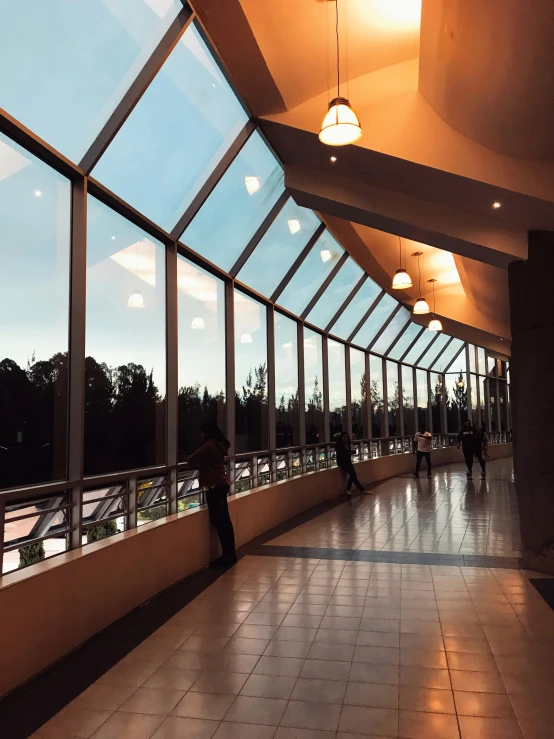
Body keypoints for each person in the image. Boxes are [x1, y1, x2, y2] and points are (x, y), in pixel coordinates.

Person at [187, 422, 236, 567]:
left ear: (208, 433)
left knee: (219, 522)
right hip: (222, 484)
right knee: (225, 521)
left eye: (202, 432)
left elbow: (191, 459)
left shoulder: (210, 446)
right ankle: (230, 553)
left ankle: (227, 556)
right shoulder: (220, 445)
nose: (201, 435)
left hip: (214, 486)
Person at [334, 432, 367, 497]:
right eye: (344, 437)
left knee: (353, 475)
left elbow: (347, 455)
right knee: (353, 475)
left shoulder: (347, 445)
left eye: (347, 437)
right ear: (341, 438)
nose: (346, 439)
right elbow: (342, 456)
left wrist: (351, 453)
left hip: (348, 462)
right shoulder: (339, 446)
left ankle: (360, 490)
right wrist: (350, 453)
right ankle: (354, 489)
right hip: (343, 463)